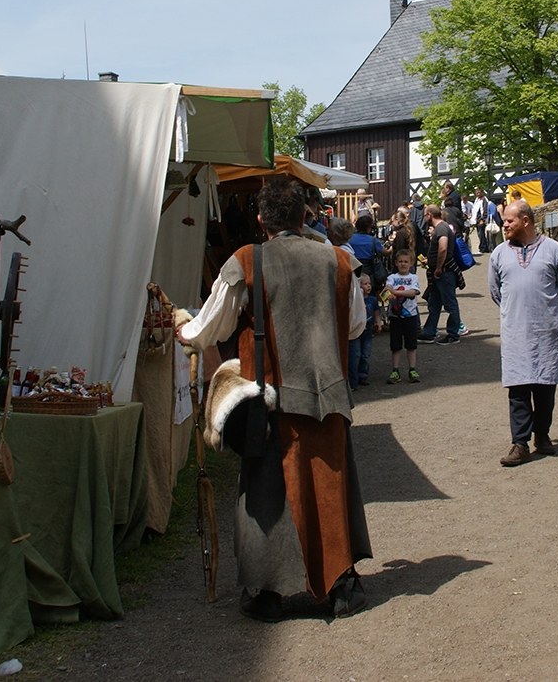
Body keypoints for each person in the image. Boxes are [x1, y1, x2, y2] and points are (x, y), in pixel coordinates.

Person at [178, 177, 371, 621]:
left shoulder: (247, 260)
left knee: (269, 495)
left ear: (261, 219)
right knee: (329, 488)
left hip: (271, 399)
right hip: (328, 397)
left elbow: (210, 329)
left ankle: (267, 594)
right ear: (305, 216)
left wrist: (183, 328)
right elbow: (356, 326)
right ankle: (342, 585)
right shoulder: (339, 259)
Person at [489, 199, 558, 467]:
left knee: (545, 388)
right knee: (518, 390)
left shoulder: (554, 251)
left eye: (509, 221)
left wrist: (543, 311)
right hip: (515, 332)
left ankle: (543, 435)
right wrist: (516, 312)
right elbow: (496, 291)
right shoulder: (499, 254)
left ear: (525, 221)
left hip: (545, 331)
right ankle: (520, 443)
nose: (504, 225)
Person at [345, 214, 385, 387]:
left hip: (355, 274)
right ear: (369, 227)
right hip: (369, 276)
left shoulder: (351, 240)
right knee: (370, 301)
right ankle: (371, 322)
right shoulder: (372, 240)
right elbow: (384, 252)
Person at [421, 205, 463, 344]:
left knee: (450, 304)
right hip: (439, 272)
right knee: (434, 304)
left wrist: (438, 267)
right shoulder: (443, 227)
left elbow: (443, 247)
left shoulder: (441, 228)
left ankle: (453, 334)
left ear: (429, 215)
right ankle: (429, 332)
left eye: (425, 215)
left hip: (443, 272)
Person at [383, 249, 422, 384]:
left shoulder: (413, 278)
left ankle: (412, 369)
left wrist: (395, 292)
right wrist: (390, 295)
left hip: (410, 315)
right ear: (396, 263)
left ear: (411, 263)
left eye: (406, 262)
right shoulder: (392, 277)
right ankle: (395, 370)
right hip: (395, 316)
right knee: (395, 345)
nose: (403, 264)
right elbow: (386, 291)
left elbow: (412, 292)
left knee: (411, 344)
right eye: (400, 262)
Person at [469, 188, 492, 252]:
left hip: (481, 220)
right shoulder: (477, 199)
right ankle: (484, 247)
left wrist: (483, 219)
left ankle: (483, 247)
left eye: (479, 193)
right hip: (477, 219)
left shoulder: (484, 199)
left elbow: (485, 210)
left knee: (481, 234)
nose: (478, 194)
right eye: (477, 193)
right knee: (480, 234)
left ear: (482, 192)